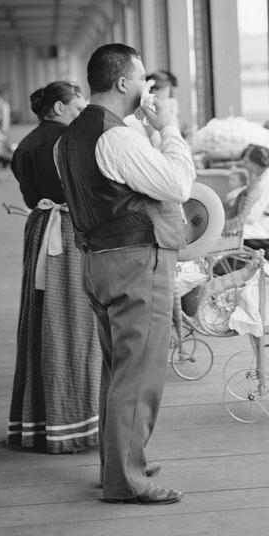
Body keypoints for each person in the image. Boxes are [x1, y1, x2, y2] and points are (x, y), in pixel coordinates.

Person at [54, 43, 194, 505]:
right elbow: (177, 184)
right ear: (121, 83)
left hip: (97, 260)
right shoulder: (116, 137)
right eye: (141, 79)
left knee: (117, 369)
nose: (145, 87)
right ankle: (126, 480)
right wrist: (169, 129)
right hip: (137, 261)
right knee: (139, 373)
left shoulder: (69, 137)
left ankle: (117, 463)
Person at [7, 81, 101, 454]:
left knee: (40, 323)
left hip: (39, 230)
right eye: (77, 108)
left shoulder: (25, 144)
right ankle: (76, 422)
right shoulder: (69, 141)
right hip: (69, 232)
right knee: (75, 324)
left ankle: (37, 422)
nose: (81, 115)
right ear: (60, 108)